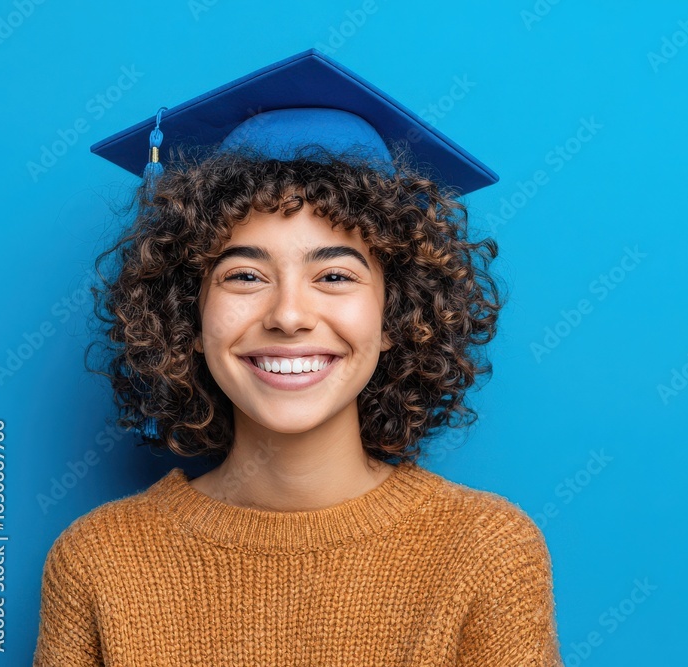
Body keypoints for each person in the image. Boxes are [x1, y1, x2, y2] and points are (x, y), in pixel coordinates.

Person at [32, 49, 563, 666]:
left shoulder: (487, 553)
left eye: (334, 276)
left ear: (396, 316)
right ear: (188, 316)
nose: (288, 315)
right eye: (245, 276)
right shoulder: (99, 560)